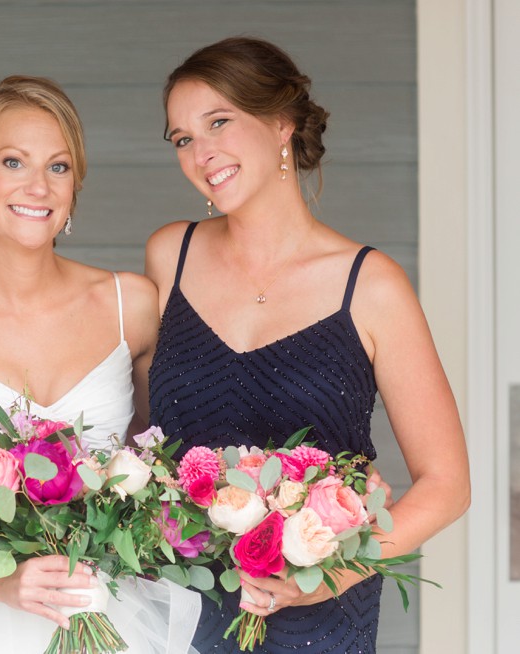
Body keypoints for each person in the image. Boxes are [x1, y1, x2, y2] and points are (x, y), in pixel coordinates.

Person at [145, 37, 470, 652]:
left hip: (317, 621)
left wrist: (329, 576)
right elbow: (139, 431)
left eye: (219, 123)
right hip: (177, 604)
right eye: (183, 138)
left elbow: (447, 483)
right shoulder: (170, 255)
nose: (200, 152)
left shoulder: (372, 286)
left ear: (281, 124)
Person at [0, 75, 201, 654]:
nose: (39, 186)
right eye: (13, 162)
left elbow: (163, 461)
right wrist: (0, 581)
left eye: (58, 167)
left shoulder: (133, 304)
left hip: (109, 614)